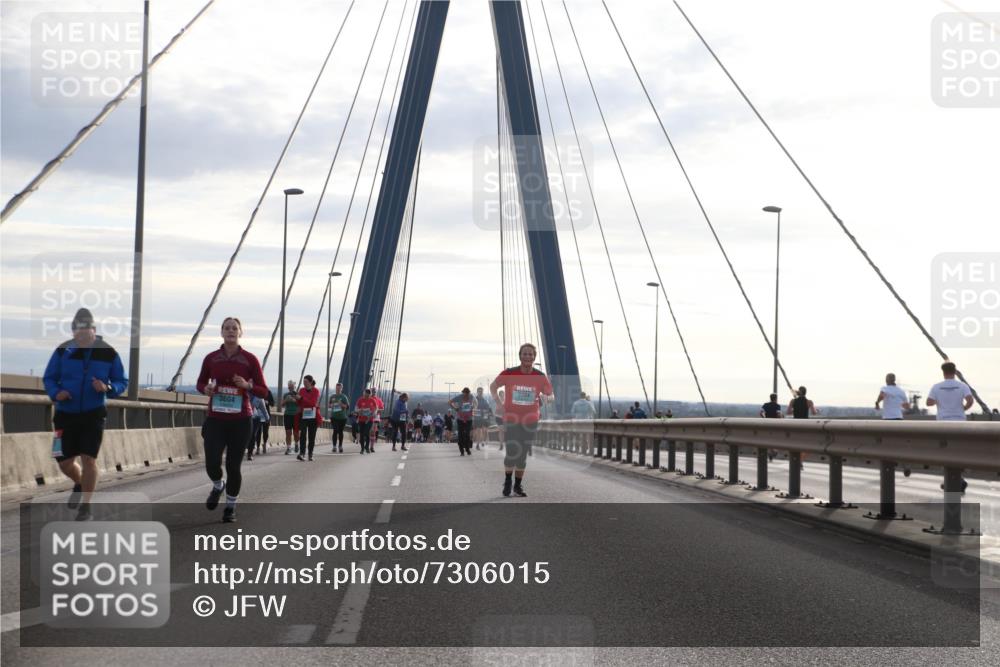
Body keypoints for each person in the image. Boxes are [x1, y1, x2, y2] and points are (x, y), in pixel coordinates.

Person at [43, 308, 128, 521]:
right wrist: (56, 393)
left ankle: (86, 506)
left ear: (94, 330)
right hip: (64, 414)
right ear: (73, 331)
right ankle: (79, 483)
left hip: (93, 414)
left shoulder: (108, 352)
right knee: (62, 461)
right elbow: (49, 378)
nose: (82, 334)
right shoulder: (63, 351)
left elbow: (122, 382)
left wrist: (107, 387)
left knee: (89, 458)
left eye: (86, 329)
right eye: (78, 330)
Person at [197, 317, 268, 523]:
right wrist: (206, 389)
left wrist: (247, 386)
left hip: (241, 420)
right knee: (211, 462)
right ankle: (218, 485)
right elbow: (201, 382)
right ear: (221, 332)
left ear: (240, 333)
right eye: (227, 328)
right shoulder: (211, 358)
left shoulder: (250, 359)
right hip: (216, 419)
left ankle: (230, 506)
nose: (230, 331)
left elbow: (263, 391)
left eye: (234, 328)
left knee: (233, 465)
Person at [490, 343, 554, 497]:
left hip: (531, 419)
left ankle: (518, 486)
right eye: (524, 354)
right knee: (512, 452)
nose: (527, 356)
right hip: (511, 418)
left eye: (530, 354)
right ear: (520, 356)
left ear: (534, 357)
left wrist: (547, 399)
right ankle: (507, 481)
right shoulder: (510, 373)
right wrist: (499, 403)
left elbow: (550, 394)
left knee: (523, 454)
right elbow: (493, 386)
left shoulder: (540, 376)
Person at [927, 361, 973, 492]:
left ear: (943, 372)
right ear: (955, 372)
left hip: (943, 423)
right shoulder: (962, 385)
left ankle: (949, 479)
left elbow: (929, 402)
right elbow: (970, 400)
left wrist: (941, 400)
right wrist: (963, 408)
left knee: (945, 451)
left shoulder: (937, 387)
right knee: (959, 450)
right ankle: (960, 478)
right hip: (959, 421)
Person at [296, 375, 321, 461]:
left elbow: (313, 403)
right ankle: (302, 453)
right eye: (303, 382)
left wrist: (302, 398)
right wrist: (297, 399)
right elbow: (299, 403)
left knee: (311, 436)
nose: (304, 383)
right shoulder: (301, 390)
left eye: (306, 382)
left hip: (313, 416)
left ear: (310, 382)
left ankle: (310, 454)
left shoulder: (316, 391)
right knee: (302, 435)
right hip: (304, 416)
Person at [450, 387, 476, 456]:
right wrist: (455, 408)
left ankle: (467, 449)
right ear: (463, 393)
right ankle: (461, 451)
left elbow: (475, 403)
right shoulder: (459, 397)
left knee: (467, 434)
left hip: (469, 419)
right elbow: (450, 402)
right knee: (460, 435)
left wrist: (473, 407)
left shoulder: (471, 397)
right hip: (460, 419)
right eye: (465, 394)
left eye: (467, 394)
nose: (466, 396)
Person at [328, 382, 350, 453]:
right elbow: (329, 405)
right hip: (334, 417)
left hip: (342, 417)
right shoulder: (332, 396)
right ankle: (334, 446)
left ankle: (340, 446)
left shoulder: (344, 397)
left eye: (339, 388)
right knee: (335, 430)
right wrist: (331, 405)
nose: (338, 389)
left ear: (341, 389)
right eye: (337, 388)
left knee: (340, 432)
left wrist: (341, 404)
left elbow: (347, 407)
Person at [355, 389, 378, 454]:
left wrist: (374, 413)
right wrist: (359, 410)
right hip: (361, 419)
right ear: (363, 394)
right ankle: (362, 448)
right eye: (365, 395)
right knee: (362, 434)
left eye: (368, 396)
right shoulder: (360, 400)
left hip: (369, 419)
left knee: (367, 433)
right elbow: (356, 409)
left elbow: (376, 408)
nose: (366, 397)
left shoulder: (372, 400)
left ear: (370, 395)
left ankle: (367, 447)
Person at [248, 392, 269, 460]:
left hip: (255, 418)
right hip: (244, 417)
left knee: (253, 435)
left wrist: (267, 418)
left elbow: (263, 408)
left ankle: (250, 453)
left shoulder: (259, 398)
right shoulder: (243, 393)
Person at [282, 380, 299, 455]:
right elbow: (282, 405)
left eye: (292, 387)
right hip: (287, 415)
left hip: (296, 415)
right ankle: (288, 448)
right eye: (289, 387)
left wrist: (294, 400)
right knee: (288, 432)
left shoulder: (298, 394)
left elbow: (301, 404)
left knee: (296, 433)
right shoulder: (286, 394)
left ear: (294, 387)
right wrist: (286, 400)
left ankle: (296, 444)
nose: (290, 388)